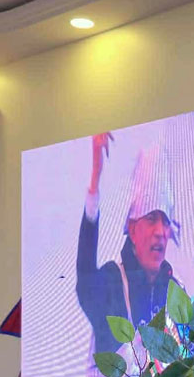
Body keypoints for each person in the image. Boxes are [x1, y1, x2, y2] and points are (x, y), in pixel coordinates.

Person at [76, 131, 182, 355]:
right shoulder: (111, 282)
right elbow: (85, 279)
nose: (160, 232)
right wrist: (95, 180)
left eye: (165, 222)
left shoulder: (175, 289)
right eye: (151, 219)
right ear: (132, 230)